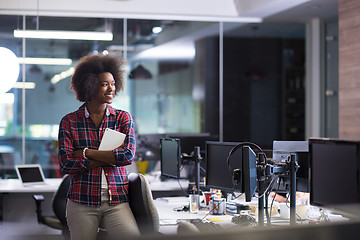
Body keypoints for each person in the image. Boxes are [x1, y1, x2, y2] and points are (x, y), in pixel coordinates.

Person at [58, 54, 140, 240]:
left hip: (117, 200)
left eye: (113, 83)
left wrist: (86, 153)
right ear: (89, 85)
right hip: (82, 202)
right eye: (104, 84)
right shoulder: (70, 121)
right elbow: (66, 164)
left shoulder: (122, 118)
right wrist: (110, 158)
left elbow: (127, 156)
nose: (111, 88)